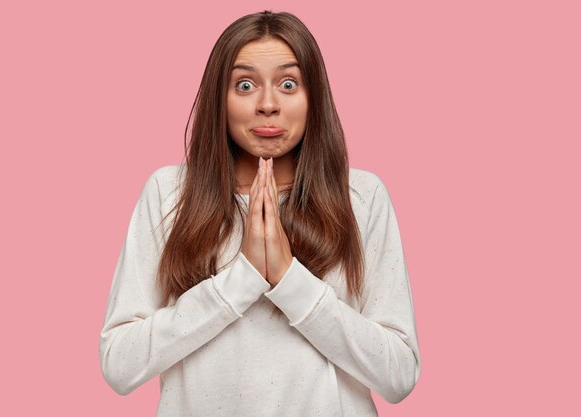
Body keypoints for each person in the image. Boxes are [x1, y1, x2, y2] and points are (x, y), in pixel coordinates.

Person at [99, 10, 421, 417]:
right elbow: (120, 363)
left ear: (313, 97)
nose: (267, 105)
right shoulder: (169, 194)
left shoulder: (362, 197)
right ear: (221, 98)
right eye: (245, 84)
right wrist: (239, 281)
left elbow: (399, 373)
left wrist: (289, 279)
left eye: (289, 84)